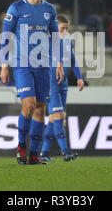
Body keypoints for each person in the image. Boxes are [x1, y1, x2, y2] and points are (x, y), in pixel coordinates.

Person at [0, 0, 64, 165]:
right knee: (29, 105)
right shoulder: (16, 8)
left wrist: (59, 63)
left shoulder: (50, 10)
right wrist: (4, 65)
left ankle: (34, 155)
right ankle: (21, 148)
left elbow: (55, 38)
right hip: (22, 64)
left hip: (43, 66)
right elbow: (6, 36)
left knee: (40, 110)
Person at [40, 15, 84, 162]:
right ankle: (66, 151)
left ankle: (44, 153)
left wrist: (79, 77)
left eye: (66, 29)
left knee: (54, 119)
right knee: (59, 117)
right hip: (50, 85)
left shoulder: (66, 42)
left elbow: (72, 60)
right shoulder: (46, 42)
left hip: (63, 85)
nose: (63, 32)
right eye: (61, 29)